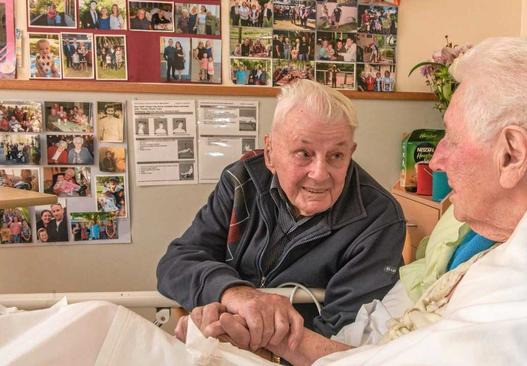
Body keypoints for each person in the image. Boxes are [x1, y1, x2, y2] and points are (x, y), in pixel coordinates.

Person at [171, 36, 527, 365]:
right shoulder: (472, 239)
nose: (435, 160)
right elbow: (374, 350)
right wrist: (248, 319)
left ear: (511, 154)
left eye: (451, 138)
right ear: (271, 153)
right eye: (302, 153)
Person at [157, 79, 405, 346]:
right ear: (270, 153)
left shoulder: (379, 219)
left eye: (336, 155)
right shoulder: (243, 181)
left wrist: (242, 338)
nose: (320, 174)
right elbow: (176, 263)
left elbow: (343, 340)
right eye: (303, 153)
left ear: (351, 152)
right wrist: (235, 294)